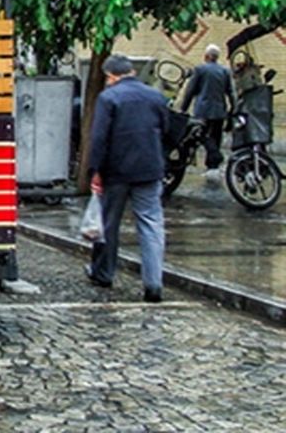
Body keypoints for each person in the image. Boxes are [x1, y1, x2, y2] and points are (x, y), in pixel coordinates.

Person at [85, 53, 169, 303]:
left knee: (109, 224)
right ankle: (153, 283)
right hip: (149, 169)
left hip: (116, 172)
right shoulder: (156, 96)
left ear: (111, 76)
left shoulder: (108, 98)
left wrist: (95, 170)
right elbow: (166, 129)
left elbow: (99, 138)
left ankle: (104, 273)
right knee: (151, 224)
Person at [178, 43, 236, 181]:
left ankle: (213, 157)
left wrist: (183, 109)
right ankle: (213, 167)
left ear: (206, 56)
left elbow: (190, 91)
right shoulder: (225, 71)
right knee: (216, 137)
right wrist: (233, 110)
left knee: (201, 135)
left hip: (202, 110)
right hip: (219, 111)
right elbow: (232, 93)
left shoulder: (200, 69)